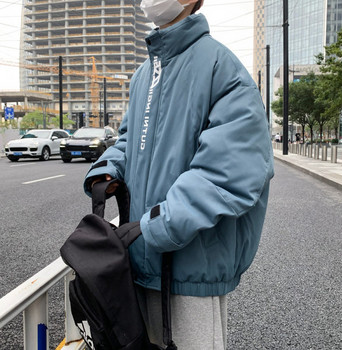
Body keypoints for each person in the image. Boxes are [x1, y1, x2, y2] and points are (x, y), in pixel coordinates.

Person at [84, 0, 274, 348]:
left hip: (190, 267)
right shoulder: (144, 74)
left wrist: (160, 223)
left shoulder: (222, 67)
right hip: (140, 259)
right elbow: (129, 140)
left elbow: (230, 170)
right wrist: (106, 169)